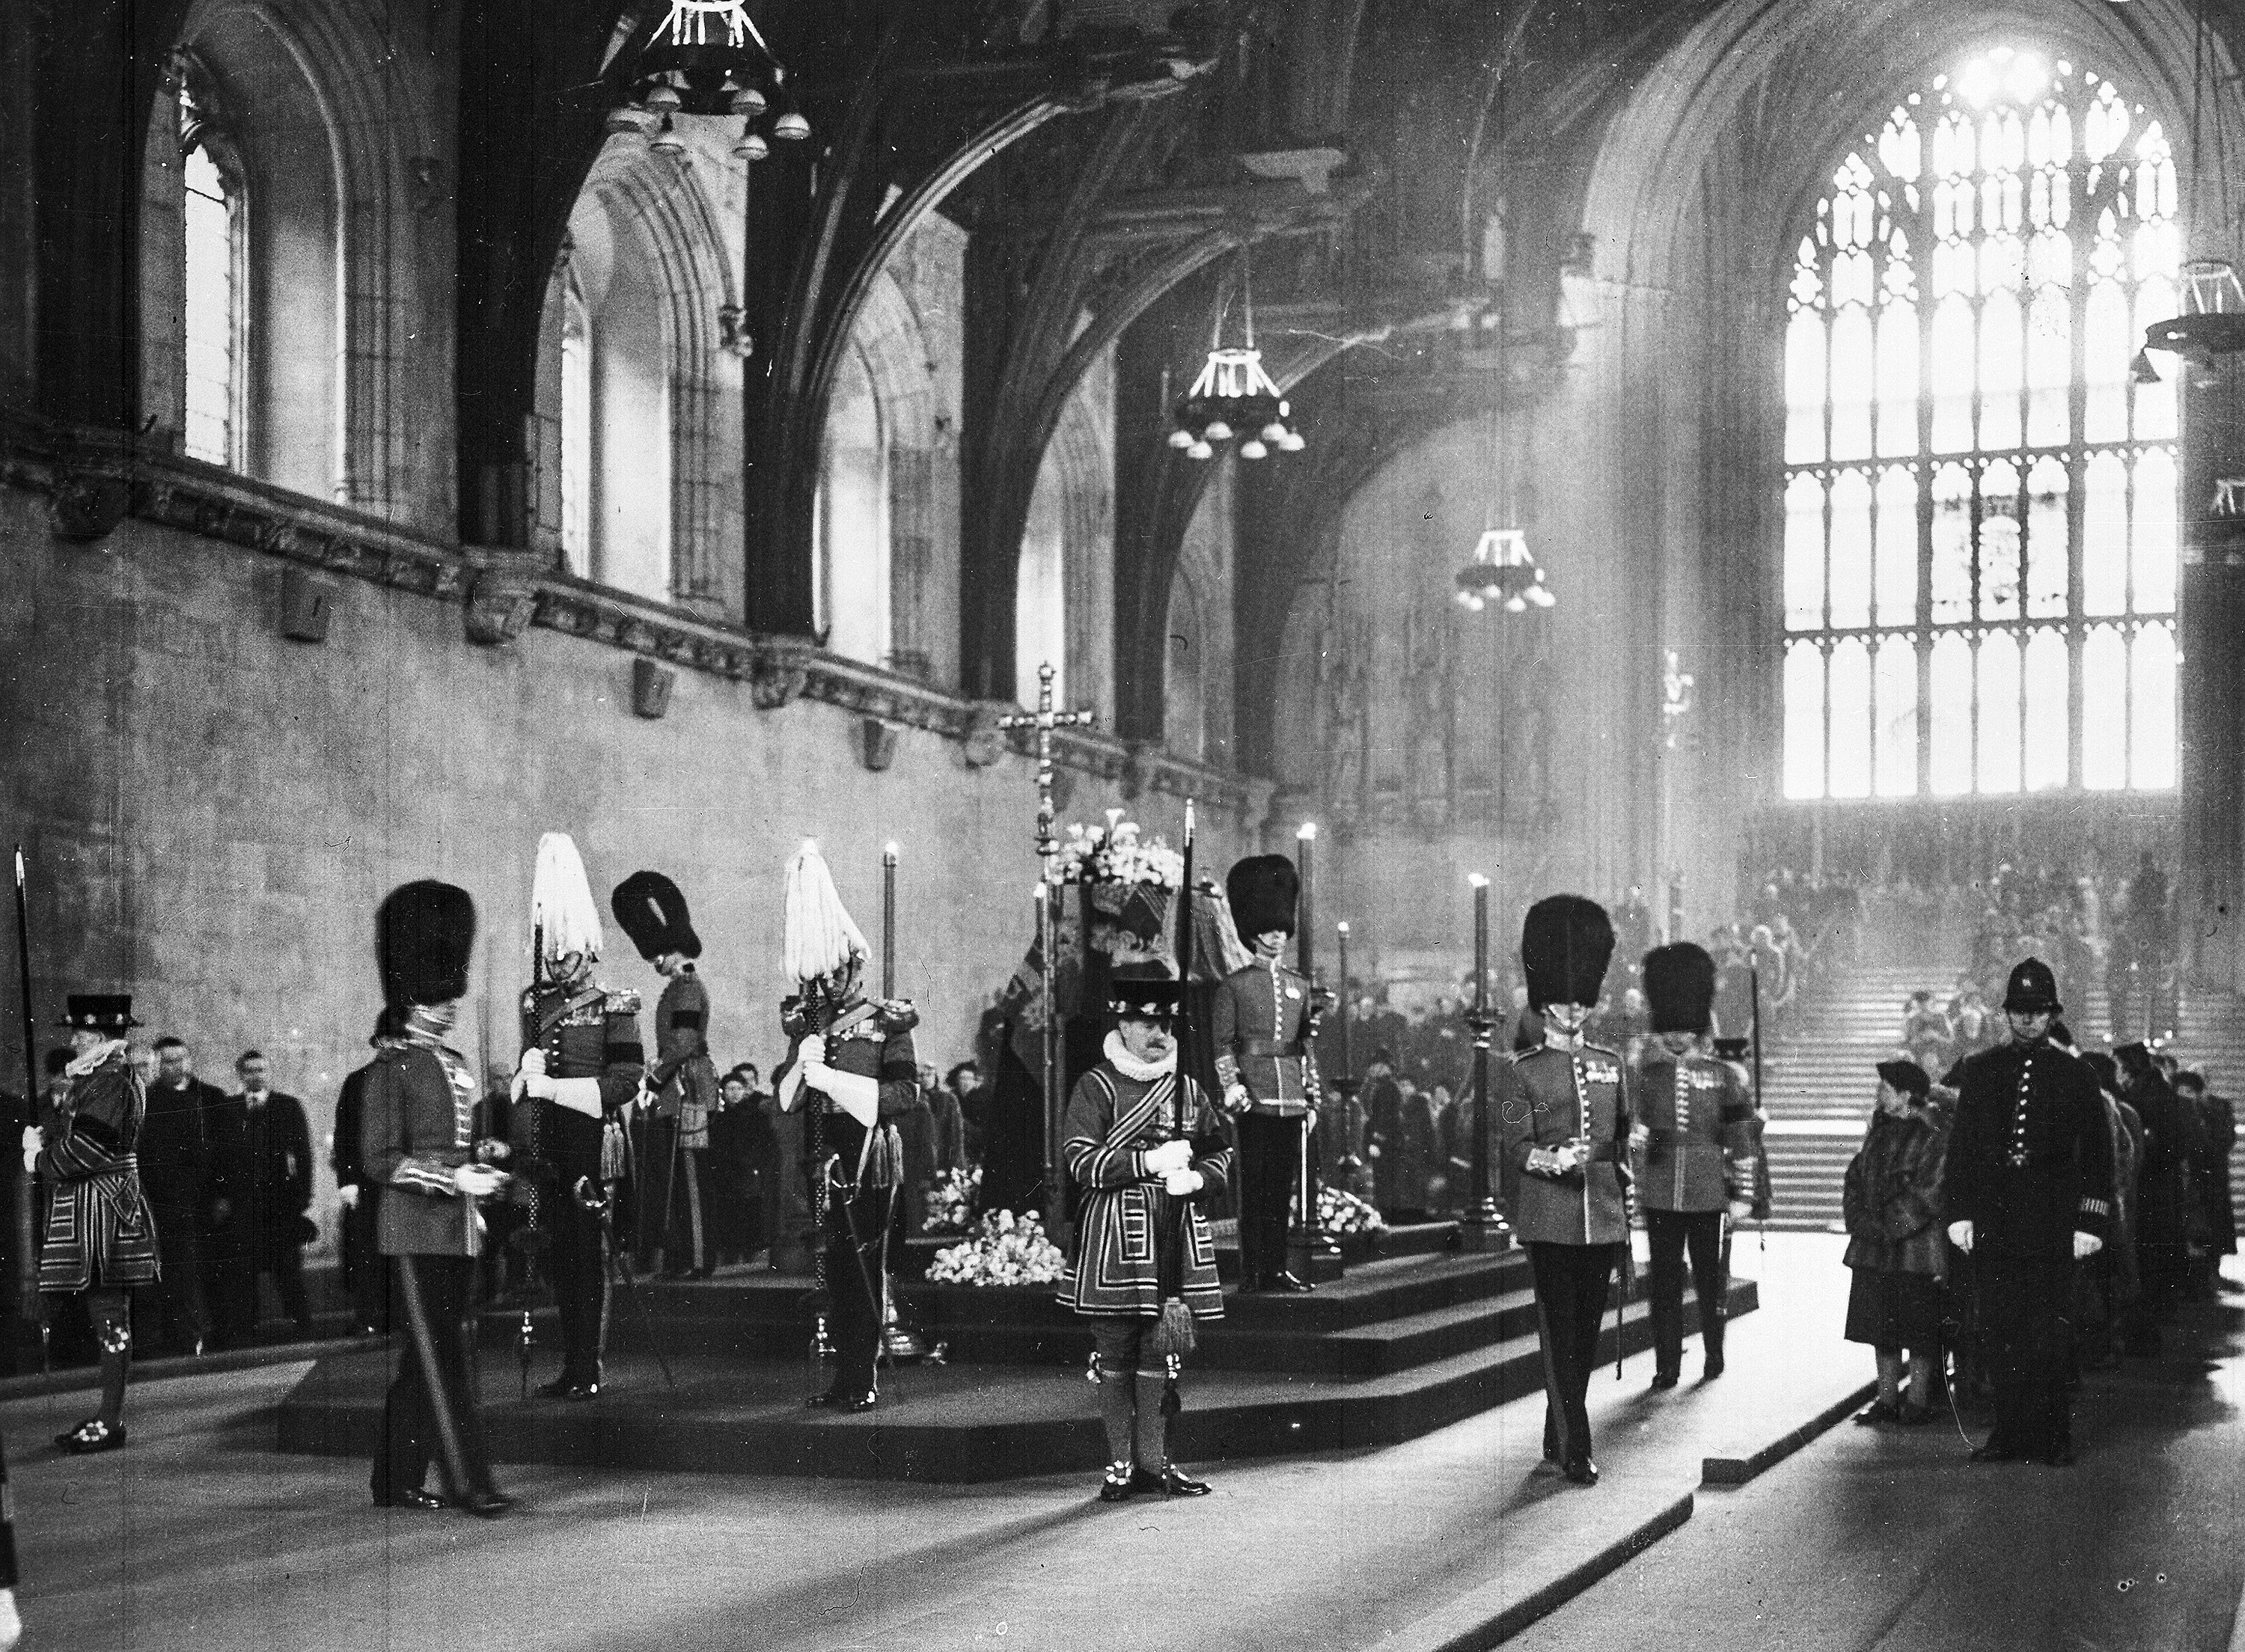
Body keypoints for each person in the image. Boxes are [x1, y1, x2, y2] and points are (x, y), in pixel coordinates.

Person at [362, 881, 513, 1517]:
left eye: (450, 995)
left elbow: (453, 1142)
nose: (448, 1007)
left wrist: (483, 1160)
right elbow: (379, 1159)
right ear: (407, 1001)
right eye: (434, 998)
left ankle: (392, 1478)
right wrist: (453, 1180)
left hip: (456, 1228)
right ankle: (467, 1480)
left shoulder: (452, 1063)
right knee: (443, 1358)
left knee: (432, 1360)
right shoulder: (388, 1070)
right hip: (414, 1227)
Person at [1058, 964, 1233, 1502]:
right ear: (1123, 1026)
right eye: (1147, 1025)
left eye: (1167, 1027)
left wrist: (1198, 1177)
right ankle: (1118, 1466)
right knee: (1116, 1350)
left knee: (1161, 1353)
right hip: (1117, 1237)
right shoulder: (1097, 1085)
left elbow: (1221, 1152)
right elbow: (1080, 1161)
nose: (1160, 1037)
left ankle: (1155, 1464)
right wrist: (1149, 1160)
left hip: (1173, 1230)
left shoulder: (1188, 1090)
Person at [1941, 958, 2114, 1466]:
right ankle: (2009, 1435)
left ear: (2053, 1014)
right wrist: (1960, 1213)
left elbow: (2099, 1156)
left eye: (2039, 1012)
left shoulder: (2076, 1074)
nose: (2029, 1021)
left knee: (2051, 1334)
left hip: (2054, 1225)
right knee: (2001, 1332)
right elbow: (1963, 1151)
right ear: (2008, 1014)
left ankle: (2053, 1435)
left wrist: (2090, 1222)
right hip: (1997, 1224)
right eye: (2020, 1011)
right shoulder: (1981, 1071)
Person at [775, 842, 919, 1410]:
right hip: (821, 1153)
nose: (829, 980)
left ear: (856, 965)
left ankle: (861, 1378)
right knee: (834, 1267)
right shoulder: (809, 1023)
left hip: (867, 1155)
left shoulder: (887, 1022)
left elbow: (905, 1095)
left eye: (838, 968)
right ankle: (844, 1376)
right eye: (823, 970)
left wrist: (832, 1081)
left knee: (862, 1268)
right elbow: (785, 1099)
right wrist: (802, 1062)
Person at [1497, 896, 1632, 1487]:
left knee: (1586, 1331)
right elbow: (1512, 1142)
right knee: (1559, 1331)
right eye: (1560, 1002)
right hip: (1549, 1216)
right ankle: (1577, 1445)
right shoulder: (1519, 1070)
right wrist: (1550, 1160)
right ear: (1544, 1004)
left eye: (1580, 1001)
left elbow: (1621, 1144)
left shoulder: (1611, 1063)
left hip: (1600, 1214)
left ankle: (1559, 1425)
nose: (1571, 1012)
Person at [513, 833, 644, 1401]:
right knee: (561, 1256)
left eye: (564, 954)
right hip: (551, 1143)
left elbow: (624, 1082)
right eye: (550, 954)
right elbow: (532, 1081)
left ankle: (588, 1363)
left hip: (596, 1138)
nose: (555, 963)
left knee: (589, 1257)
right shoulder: (534, 1003)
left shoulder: (615, 1006)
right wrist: (527, 1072)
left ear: (588, 953)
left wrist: (554, 1087)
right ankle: (571, 1361)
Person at [32, 995, 162, 1453]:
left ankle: (111, 1418)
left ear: (98, 1036)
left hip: (102, 1208)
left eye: (78, 1033)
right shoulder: (99, 1078)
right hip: (92, 1205)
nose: (72, 1040)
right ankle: (108, 1414)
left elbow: (90, 1150)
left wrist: (40, 1159)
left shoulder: (112, 1078)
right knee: (104, 1314)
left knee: (110, 1314)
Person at [1631, 943, 1758, 1389]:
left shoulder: (1724, 1074)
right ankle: (1667, 1363)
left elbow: (1740, 1140)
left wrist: (1744, 1193)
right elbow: (1633, 1132)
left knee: (1711, 1280)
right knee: (1663, 1284)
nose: (1679, 1037)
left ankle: (1714, 1352)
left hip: (1708, 1191)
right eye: (1672, 1028)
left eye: (1686, 1028)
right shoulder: (1645, 1074)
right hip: (1661, 1191)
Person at [1212, 854, 1322, 1292]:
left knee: (1282, 1189)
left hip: (1291, 1100)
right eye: (1270, 929)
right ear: (1254, 932)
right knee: (1254, 1189)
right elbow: (1223, 1044)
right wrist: (1233, 1086)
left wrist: (1310, 1096)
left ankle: (1276, 1267)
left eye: (1282, 930)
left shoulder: (1299, 986)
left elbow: (1304, 1046)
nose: (1278, 937)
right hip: (1254, 1097)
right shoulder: (1235, 986)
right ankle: (1253, 1270)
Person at [611, 869, 716, 1279]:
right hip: (678, 1086)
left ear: (675, 948)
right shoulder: (675, 989)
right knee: (677, 1175)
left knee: (690, 1177)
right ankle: (680, 1256)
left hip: (689, 1085)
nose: (654, 961)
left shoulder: (687, 987)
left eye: (658, 954)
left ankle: (696, 1258)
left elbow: (685, 1043)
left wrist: (654, 1079)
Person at [1844, 1059, 1950, 1426]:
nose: (1878, 1094)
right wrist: (1861, 1219)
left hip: (1915, 1251)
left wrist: (1887, 1225)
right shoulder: (1879, 1130)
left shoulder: (1931, 1134)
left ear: (1905, 1094)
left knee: (1919, 1329)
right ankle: (1887, 1401)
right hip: (1875, 1247)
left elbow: (1930, 1191)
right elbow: (1856, 1175)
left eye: (1884, 1088)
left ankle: (1917, 1403)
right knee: (1881, 1327)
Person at [208, 1050, 316, 1343]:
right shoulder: (228, 1110)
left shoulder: (287, 1106)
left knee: (288, 1268)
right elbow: (219, 1158)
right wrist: (223, 1197)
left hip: (280, 1204)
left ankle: (302, 1325)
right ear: (241, 1075)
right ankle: (248, 1329)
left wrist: (302, 1198)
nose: (257, 1075)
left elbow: (303, 1155)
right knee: (245, 1271)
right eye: (250, 1071)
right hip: (243, 1205)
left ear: (268, 1073)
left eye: (262, 1070)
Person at [139, 1034, 219, 1356]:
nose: (175, 1066)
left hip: (207, 1199)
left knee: (210, 1268)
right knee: (177, 1271)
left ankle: (210, 1333)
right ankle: (184, 1337)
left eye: (180, 1059)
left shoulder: (210, 1097)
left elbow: (225, 1152)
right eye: (167, 1061)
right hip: (167, 1202)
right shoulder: (149, 1101)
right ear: (157, 1065)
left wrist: (220, 1193)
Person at [332, 1011, 401, 1335]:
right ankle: (370, 1315)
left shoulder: (412, 1080)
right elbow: (345, 1135)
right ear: (378, 1042)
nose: (393, 1046)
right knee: (367, 1250)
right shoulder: (358, 1081)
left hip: (402, 1179)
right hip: (367, 1181)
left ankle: (400, 1315)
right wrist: (347, 1181)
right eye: (388, 1040)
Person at [2175, 1070, 2235, 1296]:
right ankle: (2202, 1278)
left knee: (2212, 1229)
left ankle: (2212, 1275)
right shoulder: (2181, 1113)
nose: (2185, 1097)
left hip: (2211, 1181)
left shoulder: (2214, 1111)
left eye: (2189, 1093)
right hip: (2194, 1183)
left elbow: (2223, 1142)